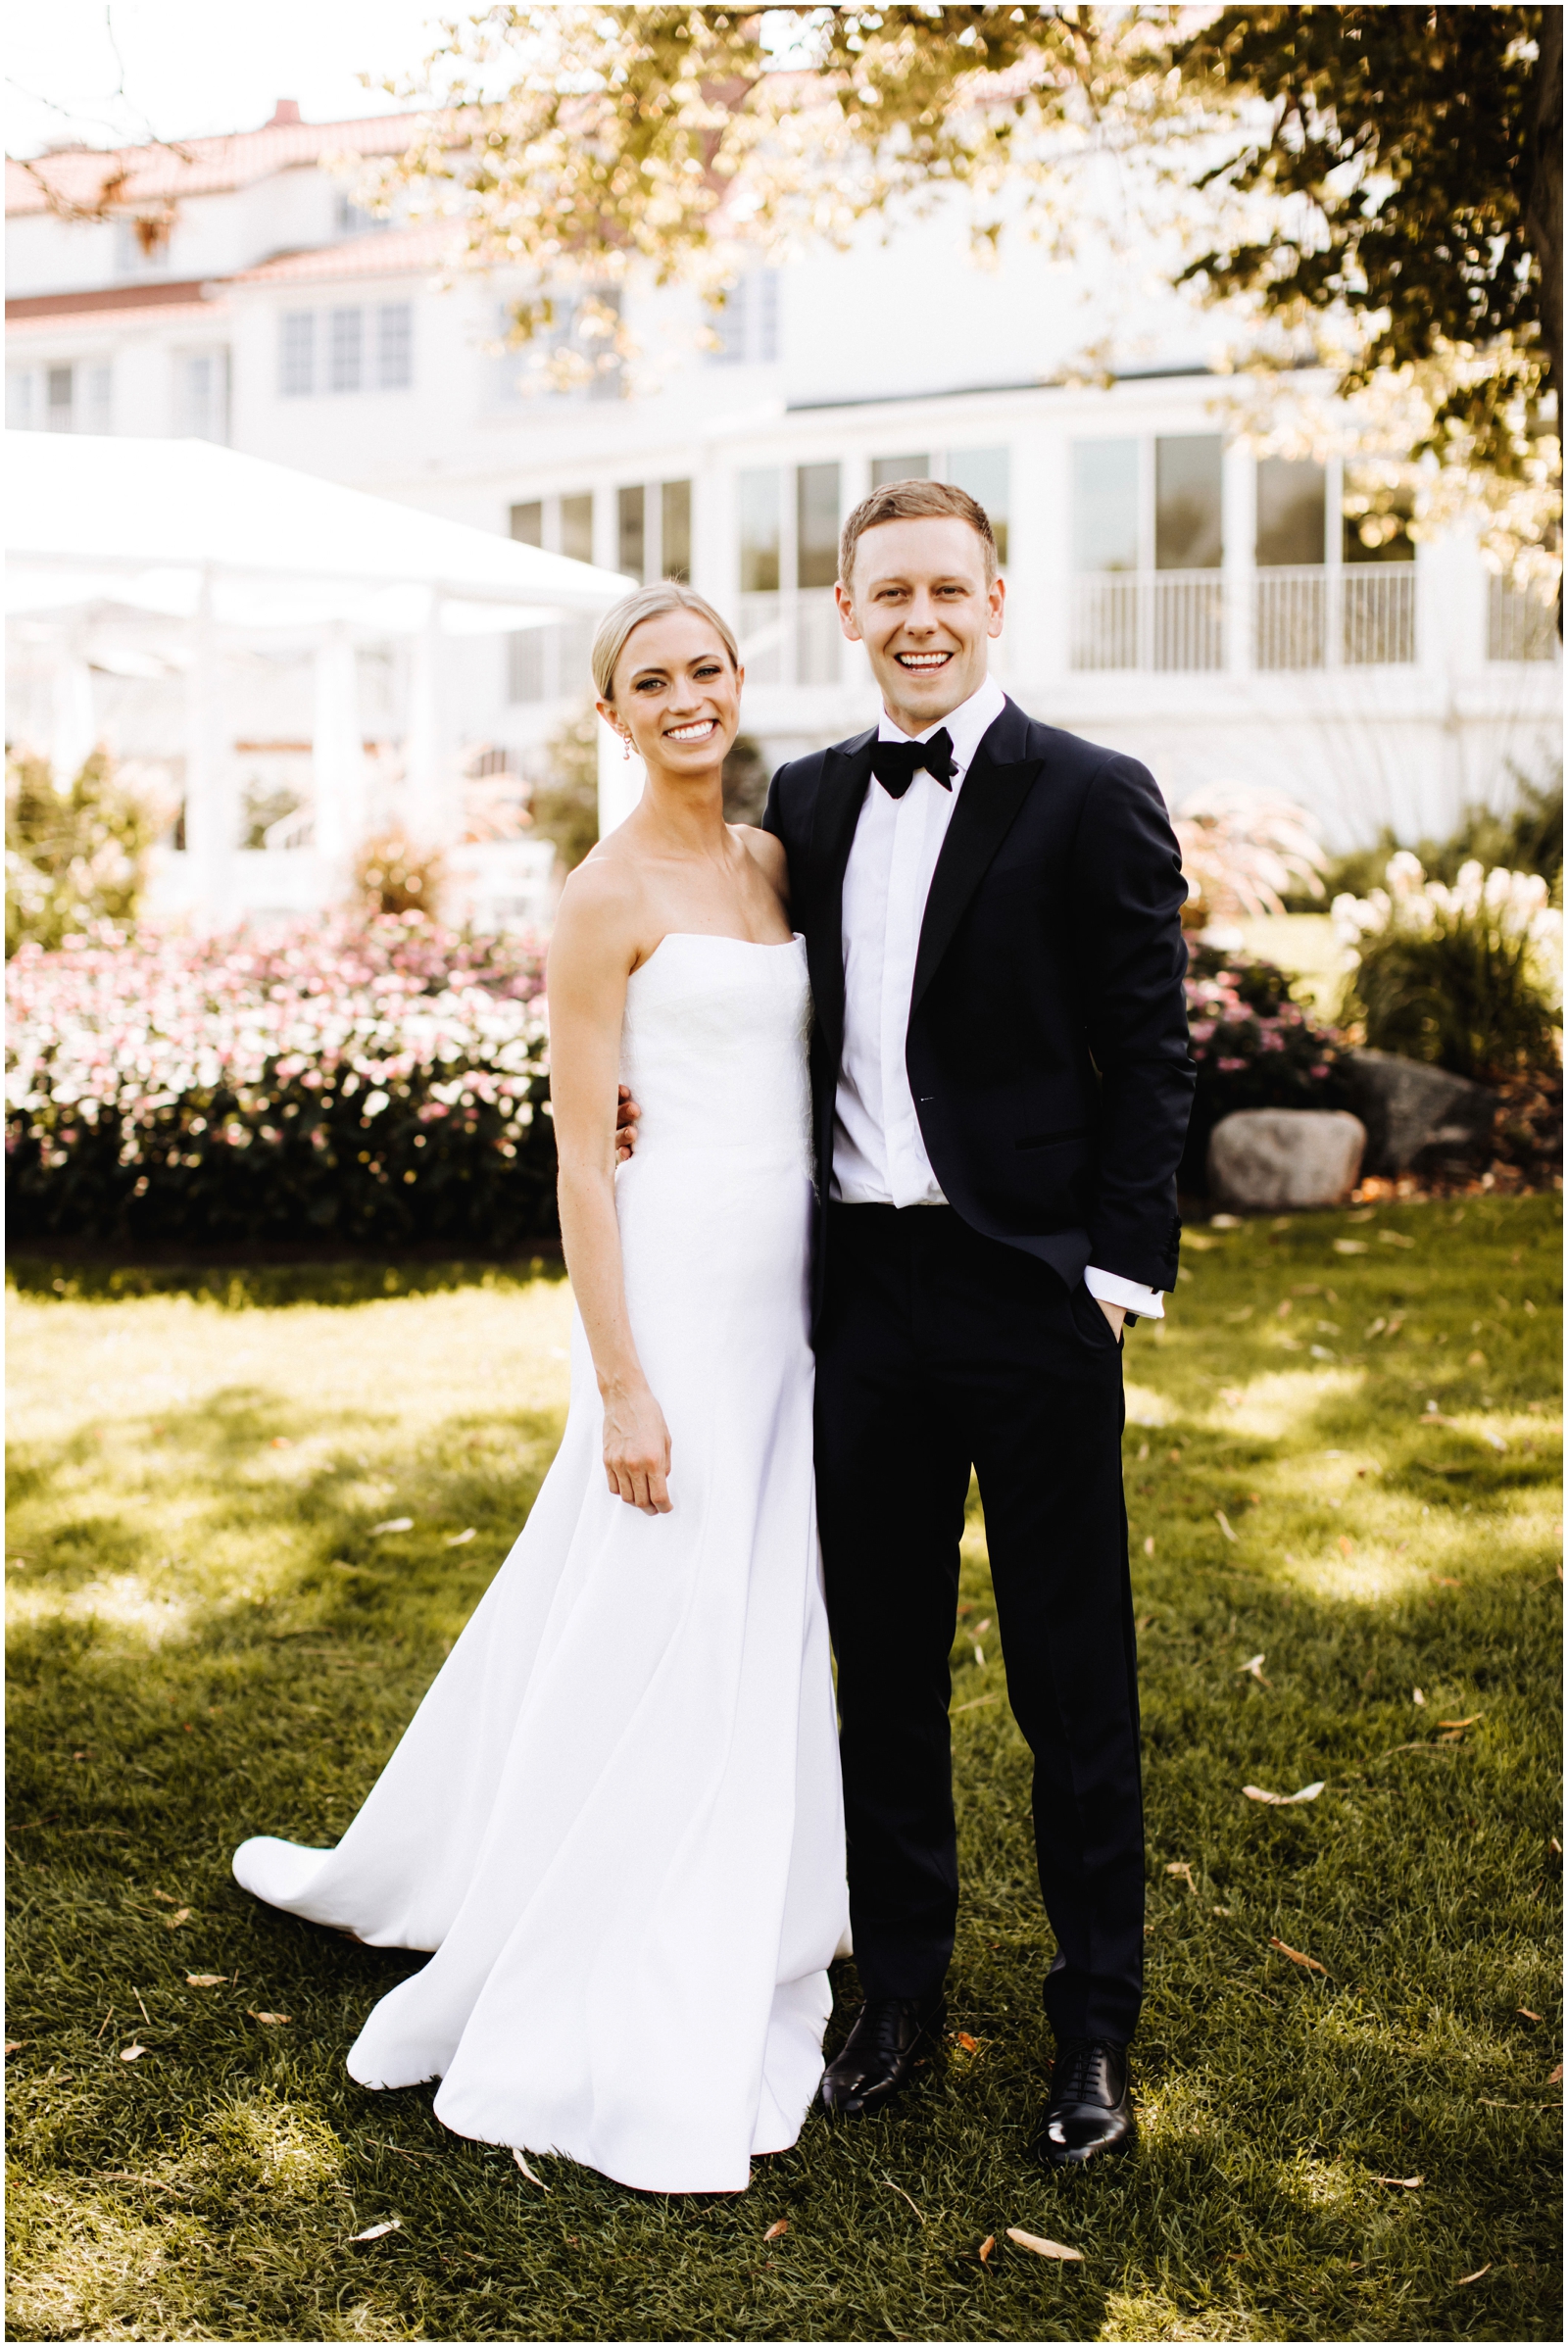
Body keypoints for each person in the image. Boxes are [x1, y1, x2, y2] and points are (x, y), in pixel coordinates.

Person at [232, 582, 849, 2196]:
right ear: (611, 715)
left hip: (792, 1292)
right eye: (652, 681)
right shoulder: (600, 895)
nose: (687, 696)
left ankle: (745, 1885)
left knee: (747, 1594)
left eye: (707, 668)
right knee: (650, 1591)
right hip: (675, 1294)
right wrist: (623, 1383)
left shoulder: (777, 861)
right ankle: (576, 1914)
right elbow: (582, 1163)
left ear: (735, 681)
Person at [758, 478, 1193, 2165]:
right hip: (862, 1298)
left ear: (996, 599)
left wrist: (1112, 1269)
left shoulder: (1090, 794)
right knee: (884, 1669)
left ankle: (1093, 2032)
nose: (921, 617)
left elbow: (1153, 1052)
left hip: (1031, 1291)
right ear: (848, 611)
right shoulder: (801, 796)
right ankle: (902, 1994)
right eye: (891, 593)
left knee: (1070, 1676)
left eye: (950, 587)